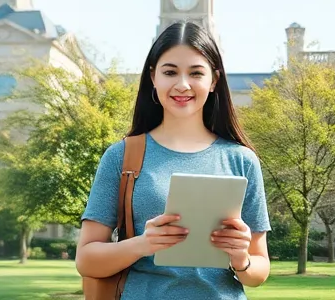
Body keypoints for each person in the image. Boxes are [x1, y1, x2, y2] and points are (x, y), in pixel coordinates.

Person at [75, 22, 271, 298]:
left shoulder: (242, 161)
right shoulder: (121, 156)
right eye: (170, 72)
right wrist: (143, 244)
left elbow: (259, 269)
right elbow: (85, 259)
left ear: (214, 80)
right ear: (153, 77)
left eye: (195, 73)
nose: (182, 84)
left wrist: (241, 259)